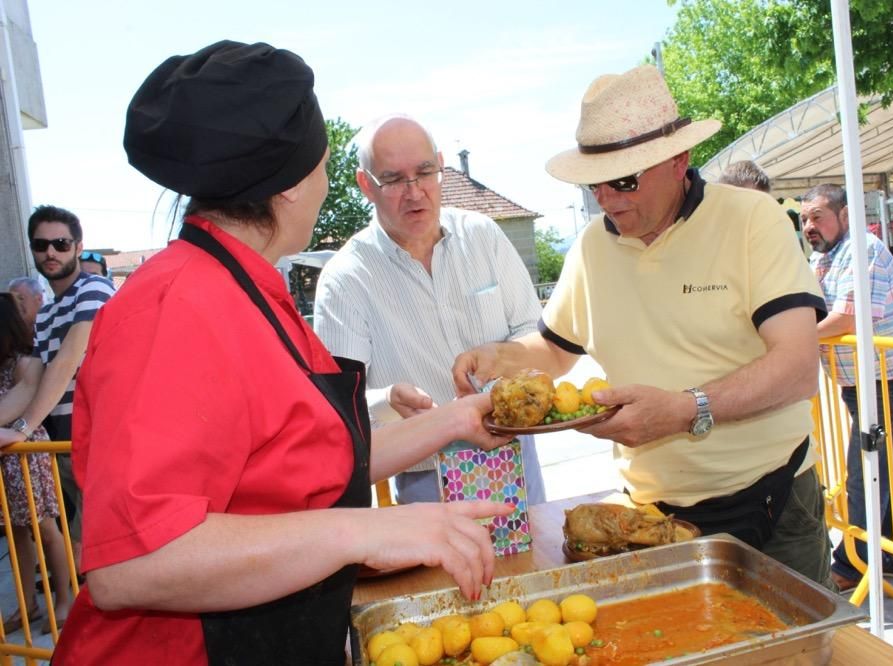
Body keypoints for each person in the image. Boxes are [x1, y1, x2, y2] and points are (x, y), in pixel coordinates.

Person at [49, 41, 511, 665]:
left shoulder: (253, 287)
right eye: (322, 165)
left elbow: (309, 465)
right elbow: (133, 562)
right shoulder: (175, 307)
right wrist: (364, 531)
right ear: (291, 185)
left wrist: (456, 420)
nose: (325, 184)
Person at [453, 65, 833, 588]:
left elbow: (797, 367)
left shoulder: (752, 219)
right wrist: (499, 357)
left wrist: (684, 410)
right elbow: (554, 347)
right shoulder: (591, 247)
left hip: (773, 505)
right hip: (650, 519)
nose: (607, 199)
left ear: (680, 160)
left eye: (624, 180)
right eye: (595, 185)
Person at [313, 114, 546, 505]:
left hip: (514, 457)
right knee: (445, 571)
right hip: (426, 480)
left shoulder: (483, 237)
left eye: (424, 172)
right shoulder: (345, 280)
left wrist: (506, 366)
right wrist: (387, 400)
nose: (414, 192)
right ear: (365, 184)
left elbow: (532, 333)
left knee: (536, 565)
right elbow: (337, 409)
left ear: (440, 165)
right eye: (393, 179)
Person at [800, 183, 893, 593]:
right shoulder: (824, 258)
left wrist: (793, 341)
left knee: (866, 473)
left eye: (818, 216)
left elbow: (845, 319)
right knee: (887, 471)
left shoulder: (864, 249)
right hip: (865, 382)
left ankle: (852, 565)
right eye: (805, 218)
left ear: (844, 215)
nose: (809, 225)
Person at [0, 206, 115, 554]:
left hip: (102, 441)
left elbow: (68, 359)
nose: (51, 252)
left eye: (61, 243)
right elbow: (29, 383)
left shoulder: (94, 288)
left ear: (78, 247)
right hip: (67, 445)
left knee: (91, 550)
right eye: (42, 244)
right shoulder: (49, 310)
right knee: (84, 549)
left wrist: (22, 428)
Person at [0, 293, 73, 635]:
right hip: (6, 459)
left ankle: (65, 598)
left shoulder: (27, 362)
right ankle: (27, 603)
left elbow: (21, 400)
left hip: (24, 453)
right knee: (15, 534)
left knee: (45, 527)